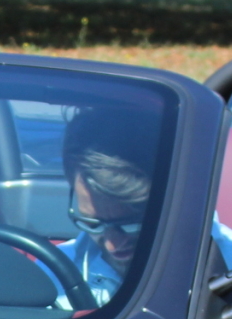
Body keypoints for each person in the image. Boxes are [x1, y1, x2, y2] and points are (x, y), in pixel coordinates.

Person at [56, 108, 158, 307]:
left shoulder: (230, 268)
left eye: (131, 224)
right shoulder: (54, 271)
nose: (113, 245)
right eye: (93, 223)